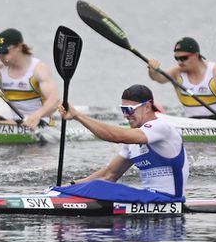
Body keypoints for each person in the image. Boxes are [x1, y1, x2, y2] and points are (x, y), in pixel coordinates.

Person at [59, 84, 189, 198]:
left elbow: (117, 136)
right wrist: (69, 187)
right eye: (123, 110)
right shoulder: (133, 141)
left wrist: (78, 116)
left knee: (99, 187)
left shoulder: (161, 126)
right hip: (147, 198)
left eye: (129, 110)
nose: (126, 115)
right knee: (98, 185)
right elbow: (109, 175)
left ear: (147, 107)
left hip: (168, 199)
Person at [146, 37, 216, 128]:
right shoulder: (177, 72)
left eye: (184, 58)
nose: (180, 62)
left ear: (196, 55)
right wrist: (152, 70)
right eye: (177, 58)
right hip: (190, 124)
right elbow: (158, 78)